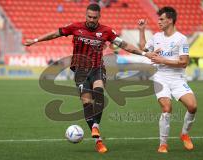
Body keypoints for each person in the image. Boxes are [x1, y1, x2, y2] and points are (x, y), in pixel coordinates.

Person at [24, 3, 155, 154]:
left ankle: (95, 127)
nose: (91, 20)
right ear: (85, 15)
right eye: (89, 16)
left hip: (97, 68)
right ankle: (98, 141)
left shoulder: (106, 31)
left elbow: (125, 45)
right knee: (87, 102)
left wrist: (144, 54)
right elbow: (55, 34)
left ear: (99, 17)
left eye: (94, 17)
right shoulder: (75, 27)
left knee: (98, 91)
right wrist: (35, 40)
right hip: (80, 70)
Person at [138, 6, 197, 153]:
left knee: (192, 107)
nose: (159, 22)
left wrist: (163, 60)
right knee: (166, 108)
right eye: (159, 19)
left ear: (170, 20)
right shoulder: (157, 37)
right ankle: (163, 144)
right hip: (160, 78)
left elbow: (184, 62)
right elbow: (143, 49)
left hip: (177, 79)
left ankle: (184, 134)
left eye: (162, 19)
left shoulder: (181, 39)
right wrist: (141, 30)